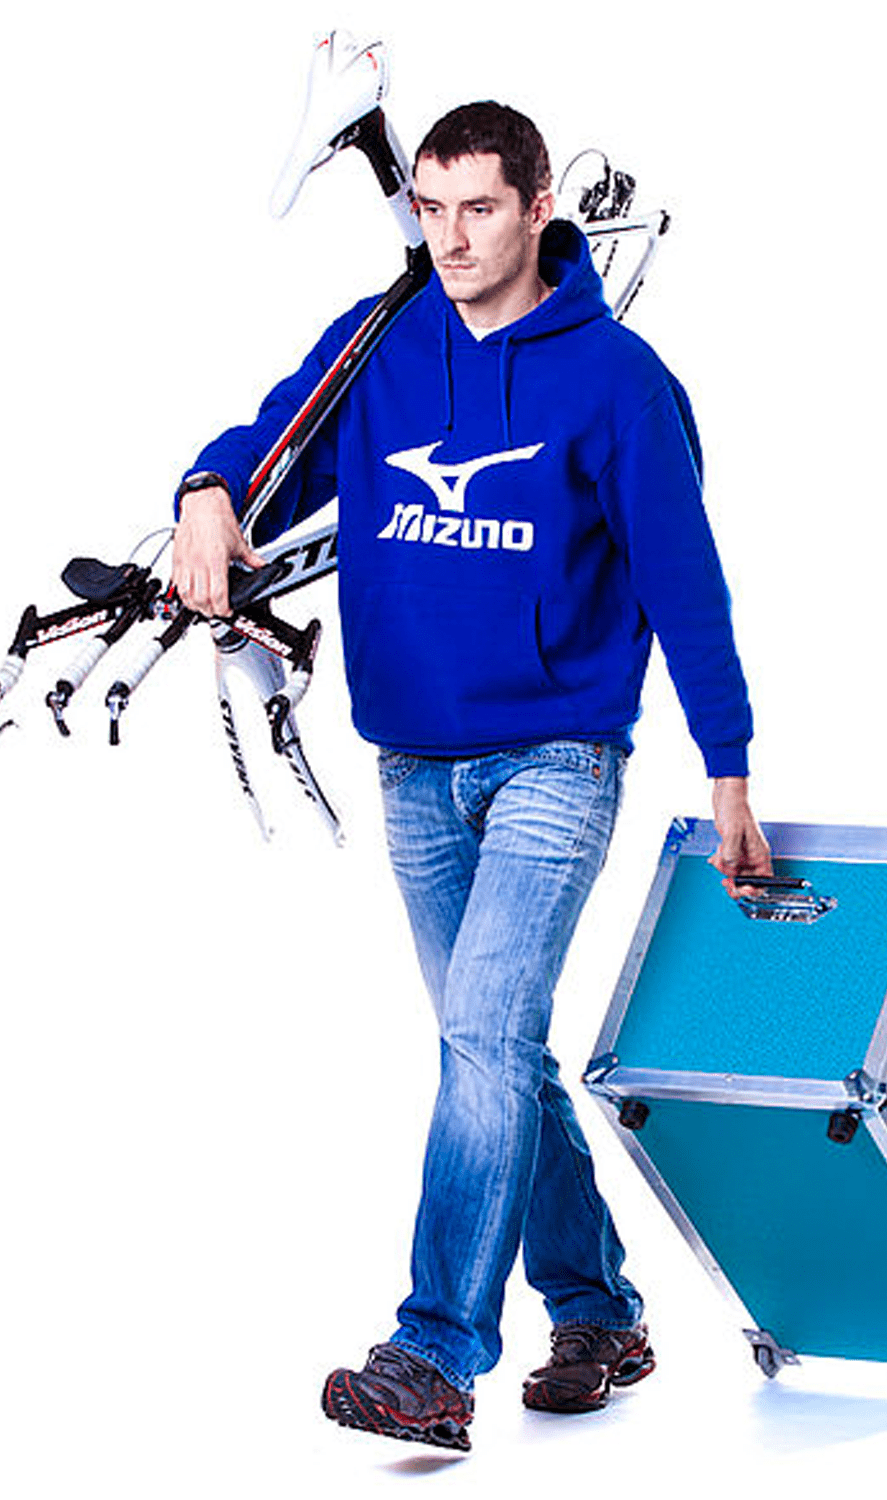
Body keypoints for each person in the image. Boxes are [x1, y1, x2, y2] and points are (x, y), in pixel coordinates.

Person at [171, 101, 771, 1452]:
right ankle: (601, 1311)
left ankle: (435, 1354)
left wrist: (729, 772)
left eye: (479, 209)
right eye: (431, 208)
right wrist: (204, 492)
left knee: (484, 1037)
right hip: (411, 769)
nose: (449, 238)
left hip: (557, 756)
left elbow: (688, 590)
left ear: (538, 207)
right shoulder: (383, 341)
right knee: (491, 1048)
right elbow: (268, 444)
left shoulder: (617, 381)